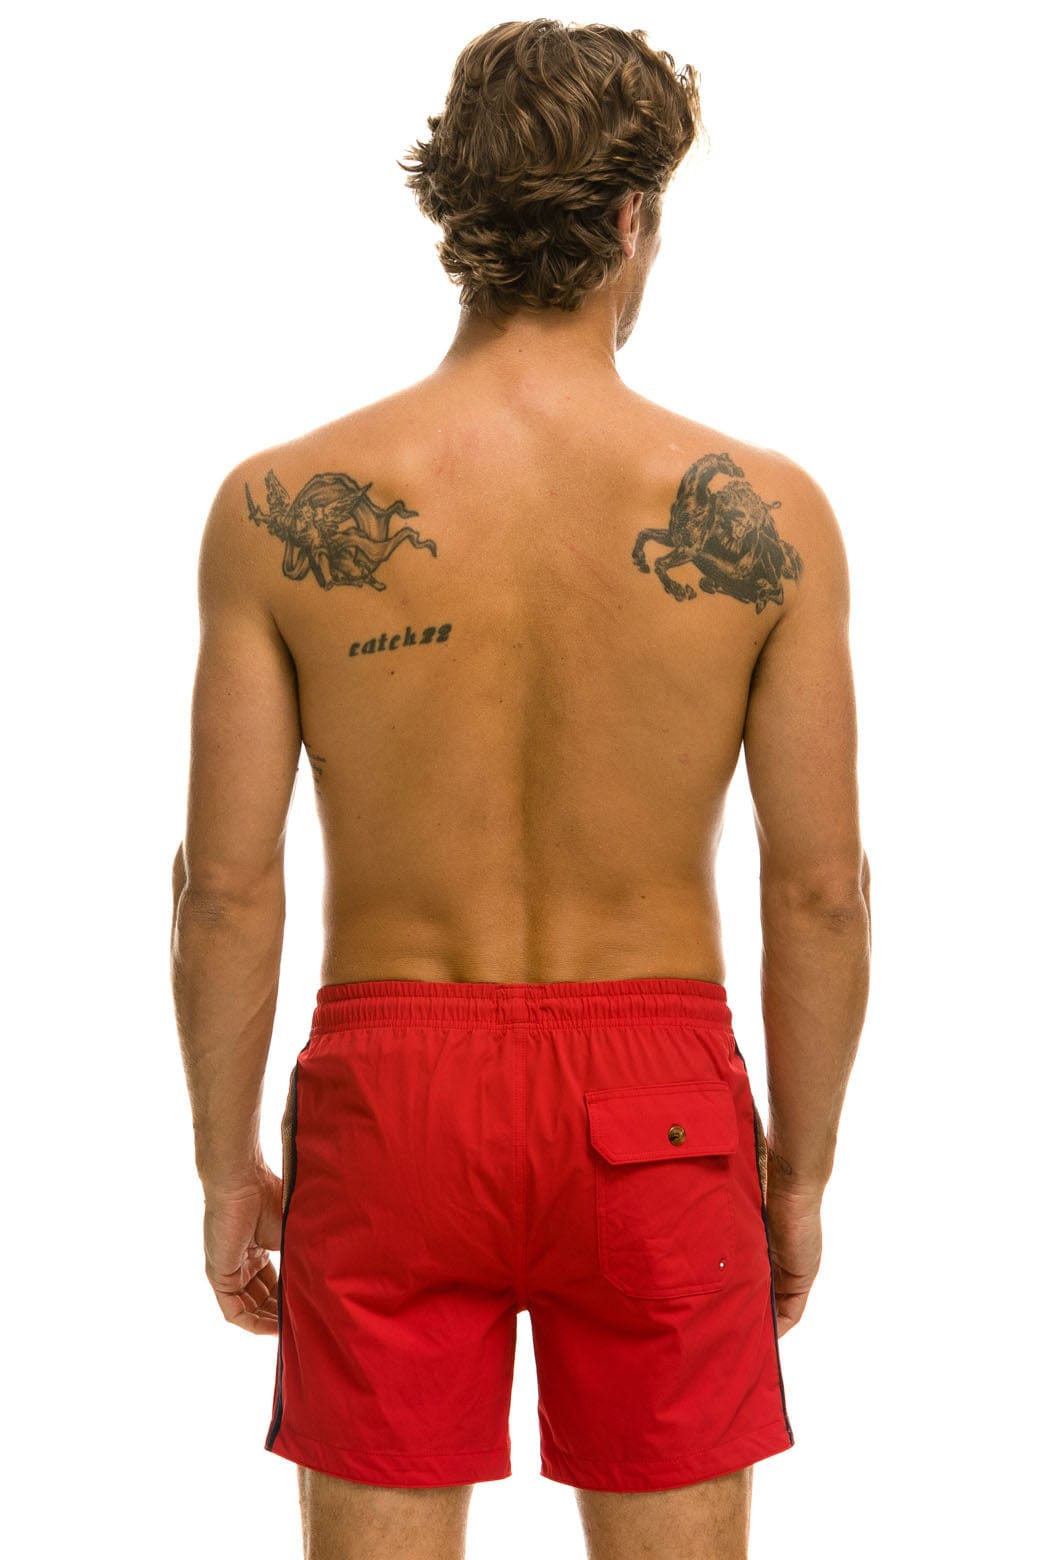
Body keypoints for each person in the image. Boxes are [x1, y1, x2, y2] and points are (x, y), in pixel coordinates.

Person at [170, 19, 871, 1560]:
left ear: (455, 212)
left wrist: (227, 1169)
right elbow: (820, 888)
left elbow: (223, 884)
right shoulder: (768, 516)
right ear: (630, 219)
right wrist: (800, 1178)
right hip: (658, 1106)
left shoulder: (279, 507)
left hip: (394, 1100)